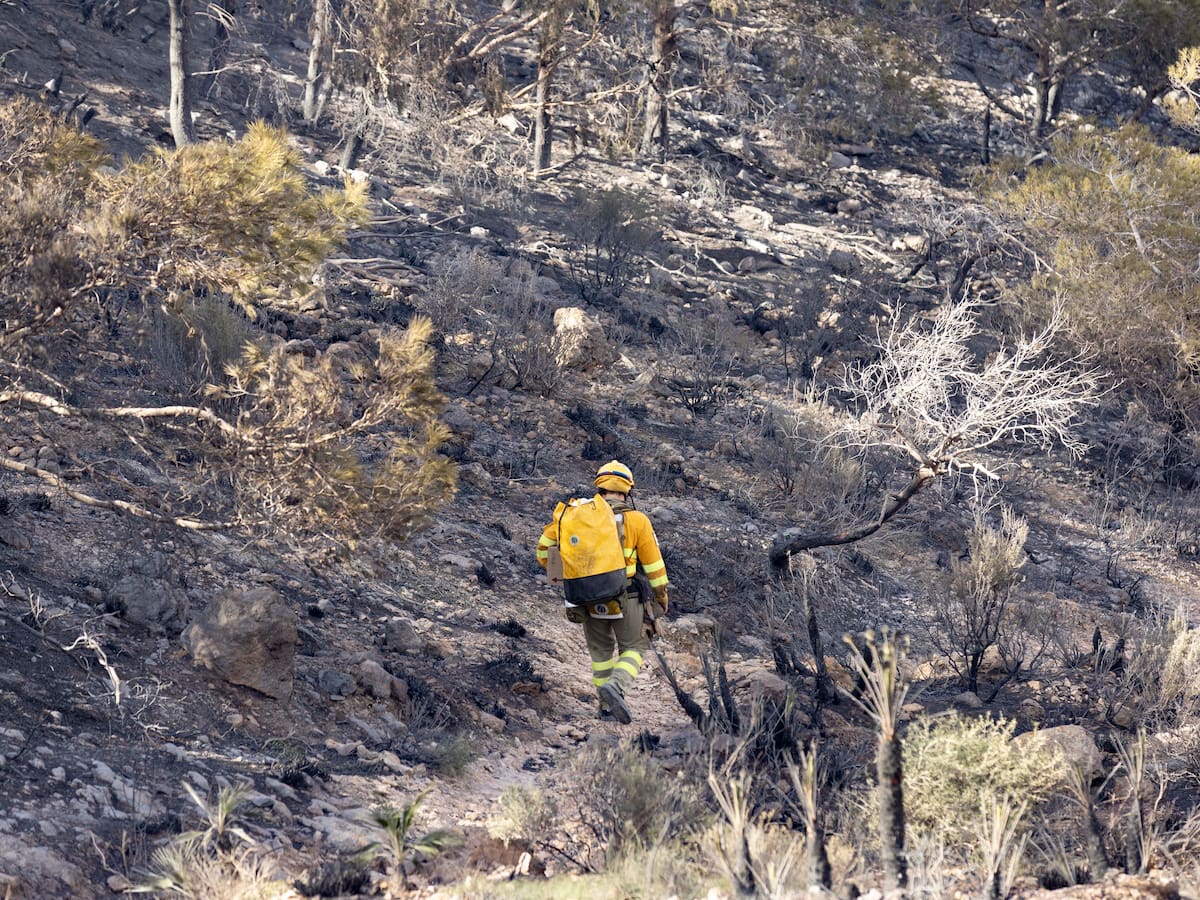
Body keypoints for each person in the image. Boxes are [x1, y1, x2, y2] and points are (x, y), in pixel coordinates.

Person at [537, 461, 669, 724]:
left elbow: (543, 552)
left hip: (585, 596)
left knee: (600, 654)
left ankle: (606, 709)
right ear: (627, 490)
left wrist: (573, 571)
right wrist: (661, 596)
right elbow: (654, 566)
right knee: (635, 646)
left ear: (599, 486)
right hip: (627, 597)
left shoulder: (575, 515)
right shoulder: (637, 520)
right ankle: (616, 687)